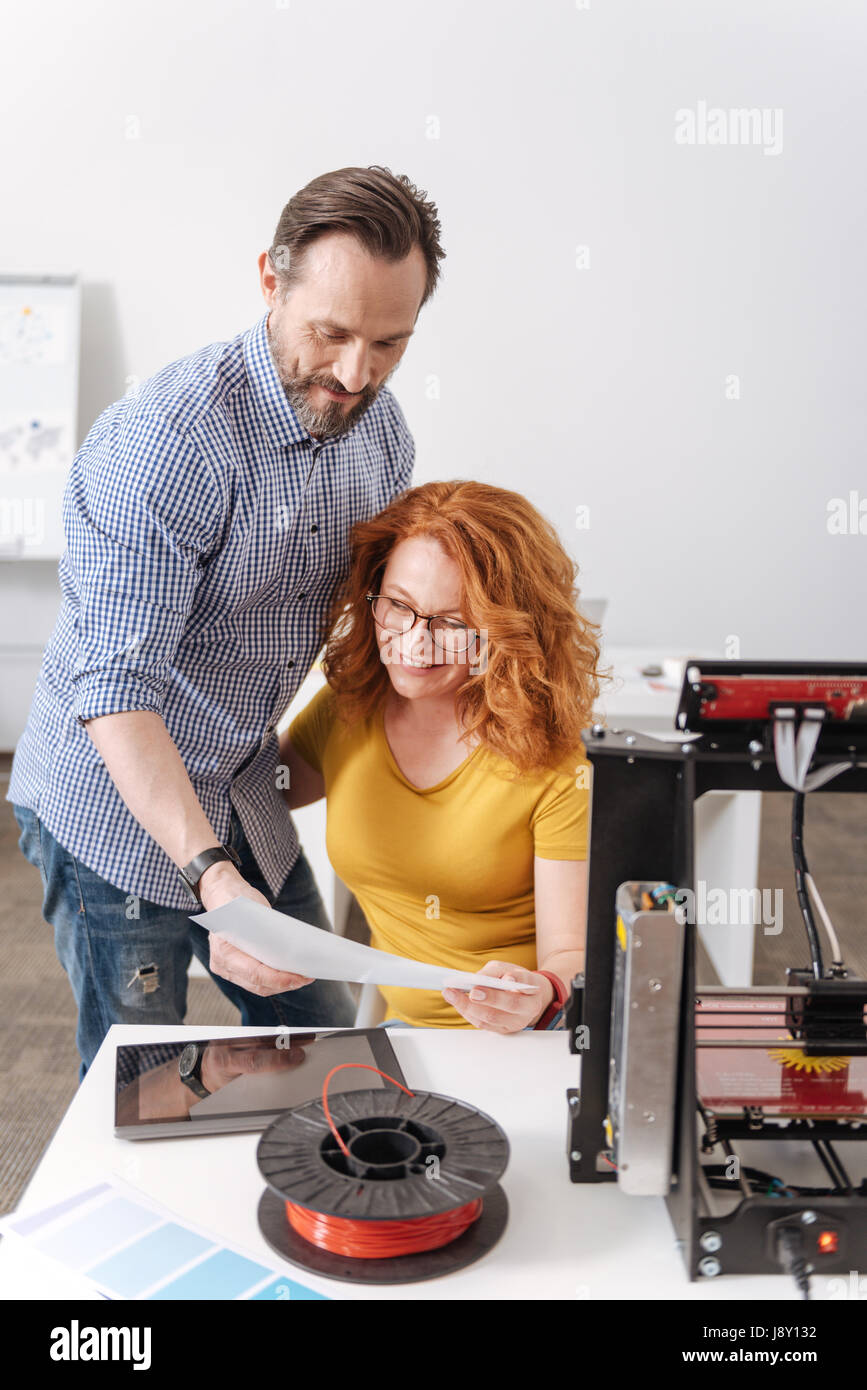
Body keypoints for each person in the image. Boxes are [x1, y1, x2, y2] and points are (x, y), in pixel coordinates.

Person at [8, 165, 445, 1077]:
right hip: (109, 805)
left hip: (242, 785)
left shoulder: (380, 429)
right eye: (330, 333)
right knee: (142, 1078)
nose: (355, 373)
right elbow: (117, 691)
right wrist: (211, 879)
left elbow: (377, 618)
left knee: (327, 1047)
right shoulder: (169, 442)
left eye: (389, 343)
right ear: (269, 281)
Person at [280, 481, 603, 1031]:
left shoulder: (555, 768)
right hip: (398, 1031)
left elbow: (570, 957)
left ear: (503, 630)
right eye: (399, 606)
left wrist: (542, 993)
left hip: (516, 1040)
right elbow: (254, 793)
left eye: (452, 623)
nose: (413, 643)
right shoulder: (348, 710)